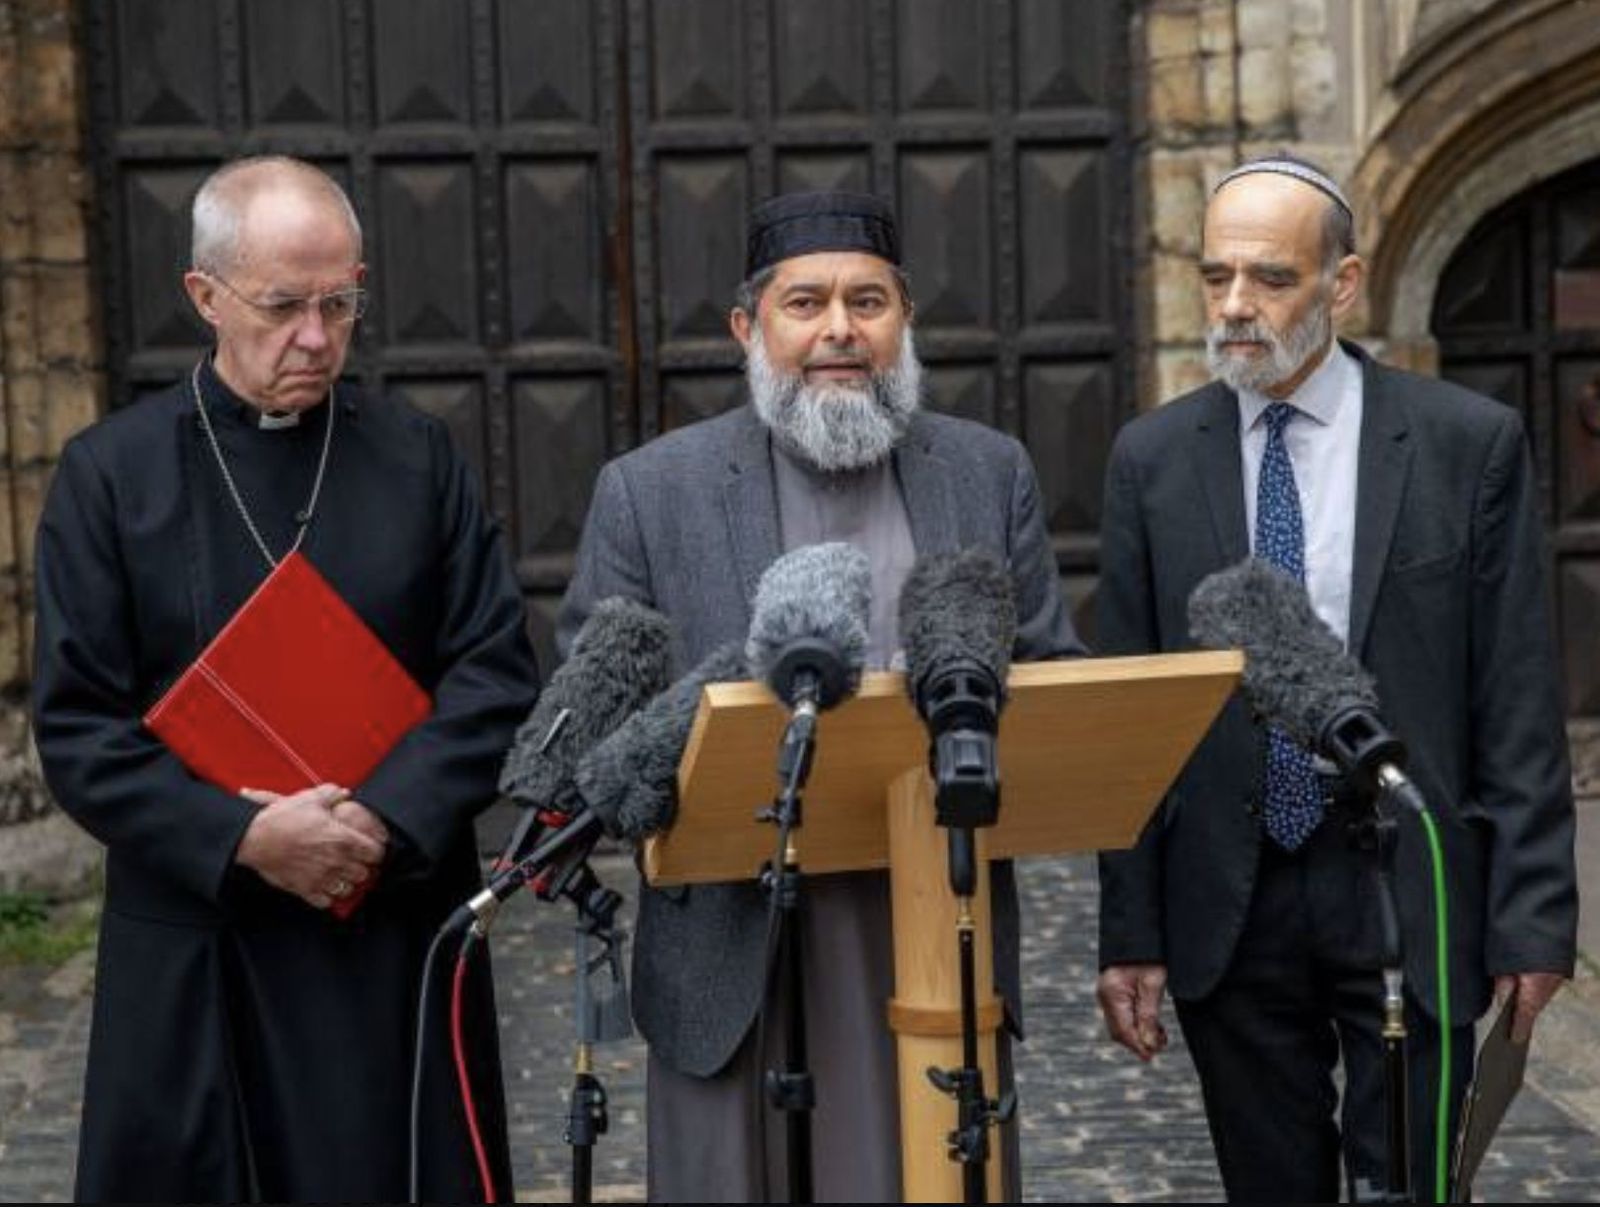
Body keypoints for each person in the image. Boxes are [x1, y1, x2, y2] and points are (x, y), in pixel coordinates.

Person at [32, 156, 539, 1202]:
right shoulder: (108, 475)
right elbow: (81, 725)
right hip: (201, 938)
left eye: (340, 303)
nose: (316, 337)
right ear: (204, 296)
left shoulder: (416, 458)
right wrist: (247, 836)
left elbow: (493, 669)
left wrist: (380, 825)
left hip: (387, 925)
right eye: (282, 306)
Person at [560, 190, 1085, 1201]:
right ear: (747, 329)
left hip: (931, 915)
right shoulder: (650, 489)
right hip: (728, 934)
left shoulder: (987, 472)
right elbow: (598, 715)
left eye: (868, 300)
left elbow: (1051, 677)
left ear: (904, 322)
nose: (839, 330)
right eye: (805, 303)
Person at [1094, 154, 1579, 1201]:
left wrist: (1535, 915)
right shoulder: (1151, 459)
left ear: (1342, 283)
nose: (1234, 305)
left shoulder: (1463, 444)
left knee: (1412, 1181)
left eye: (1267, 278)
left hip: (1407, 884)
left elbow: (1515, 696)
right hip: (1231, 893)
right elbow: (1126, 718)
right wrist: (1127, 933)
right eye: (1216, 276)